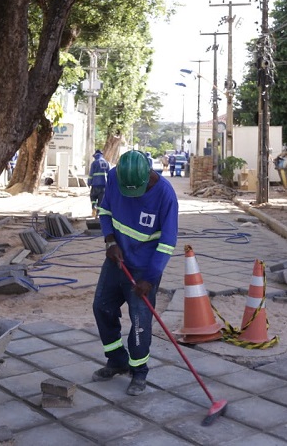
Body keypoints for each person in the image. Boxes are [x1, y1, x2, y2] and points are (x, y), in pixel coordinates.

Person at [92, 150, 179, 396]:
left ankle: (139, 371)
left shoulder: (165, 194)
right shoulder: (114, 178)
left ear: (148, 175)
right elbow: (106, 212)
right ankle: (117, 359)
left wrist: (150, 279)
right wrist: (110, 242)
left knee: (140, 321)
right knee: (102, 307)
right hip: (116, 260)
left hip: (144, 268)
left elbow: (168, 242)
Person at [88, 149, 109, 217]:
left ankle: (94, 207)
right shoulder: (107, 163)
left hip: (95, 184)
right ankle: (98, 213)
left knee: (93, 197)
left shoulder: (94, 163)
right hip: (104, 185)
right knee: (101, 200)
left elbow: (91, 174)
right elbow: (110, 175)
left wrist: (89, 183)